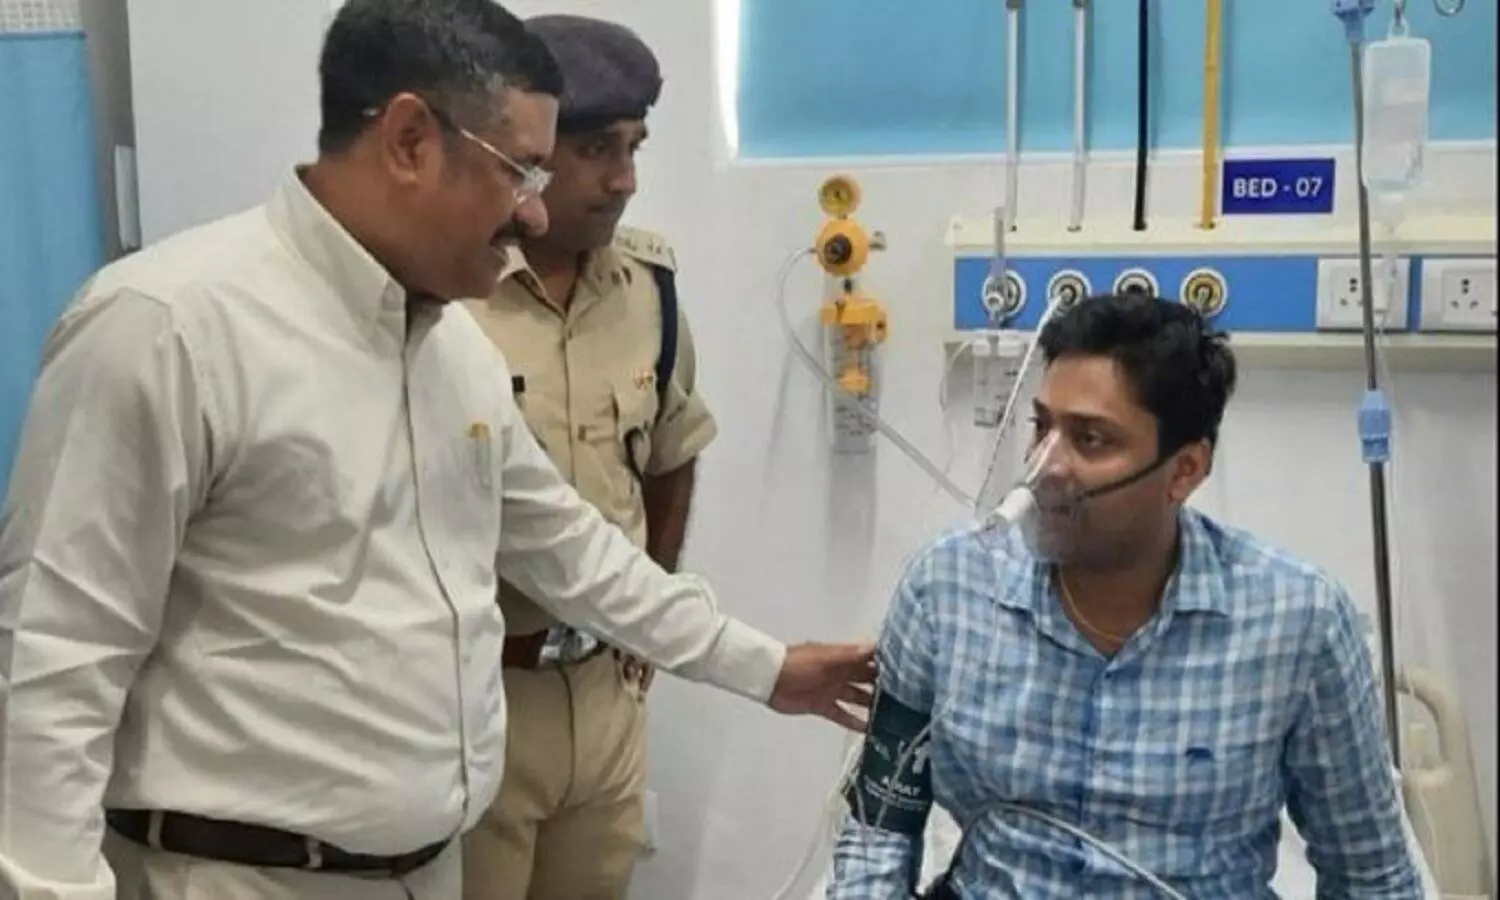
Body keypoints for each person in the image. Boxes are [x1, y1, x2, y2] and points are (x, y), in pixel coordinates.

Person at [0, 2, 875, 899]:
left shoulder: (451, 350)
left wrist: (769, 669)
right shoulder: (167, 327)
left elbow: (574, 552)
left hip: (429, 869)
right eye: (520, 170)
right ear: (411, 140)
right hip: (238, 877)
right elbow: (54, 658)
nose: (534, 212)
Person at [827, 293, 1423, 899]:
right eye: (1042, 426)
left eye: (1090, 439)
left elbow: (1371, 878)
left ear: (1184, 471)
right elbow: (879, 829)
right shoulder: (947, 590)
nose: (1045, 467)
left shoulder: (1297, 624)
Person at [457, 15, 702, 900]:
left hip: (604, 695)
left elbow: (670, 454)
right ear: (524, 152)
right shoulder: (448, 297)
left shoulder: (649, 290)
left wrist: (650, 610)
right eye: (597, 150)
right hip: (480, 692)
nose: (624, 179)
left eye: (634, 148)